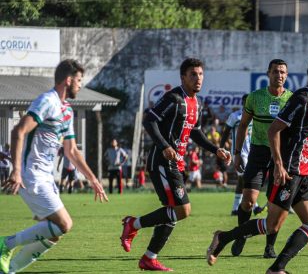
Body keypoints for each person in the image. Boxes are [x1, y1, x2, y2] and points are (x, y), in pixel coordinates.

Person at [206, 57, 308, 273]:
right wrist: (279, 165)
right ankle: (224, 237)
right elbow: (273, 130)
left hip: (303, 172)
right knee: (272, 225)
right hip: (289, 171)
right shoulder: (301, 99)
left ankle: (276, 268)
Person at [119, 58, 231, 271]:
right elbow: (148, 120)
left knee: (174, 210)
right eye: (193, 74)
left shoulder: (196, 103)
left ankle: (149, 257)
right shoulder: (174, 98)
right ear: (183, 77)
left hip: (176, 164)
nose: (198, 78)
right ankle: (133, 225)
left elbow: (195, 133)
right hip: (162, 162)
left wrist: (216, 149)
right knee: (182, 210)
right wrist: (163, 146)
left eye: (200, 74)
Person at [0, 59, 108, 274]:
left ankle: (8, 270)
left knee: (53, 234)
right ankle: (6, 244)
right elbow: (18, 131)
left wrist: (93, 180)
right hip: (32, 175)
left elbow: (72, 151)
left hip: (47, 178)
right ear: (68, 80)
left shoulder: (66, 109)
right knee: (65, 224)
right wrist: (17, 171)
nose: (80, 85)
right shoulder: (47, 101)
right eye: (78, 80)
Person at [227, 59, 293, 259]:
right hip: (258, 153)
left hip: (280, 156)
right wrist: (237, 153)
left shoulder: (292, 99)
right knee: (248, 202)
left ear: (286, 75)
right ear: (268, 73)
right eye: (275, 71)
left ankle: (269, 247)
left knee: (275, 205)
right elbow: (243, 126)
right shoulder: (255, 98)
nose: (279, 75)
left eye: (282, 72)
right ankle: (241, 234)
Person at [219, 94, 262, 215]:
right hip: (239, 152)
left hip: (252, 151)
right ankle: (255, 206)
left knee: (242, 180)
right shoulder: (235, 116)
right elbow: (226, 131)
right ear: (243, 103)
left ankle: (235, 208)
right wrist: (221, 148)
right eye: (246, 102)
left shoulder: (256, 116)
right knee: (245, 177)